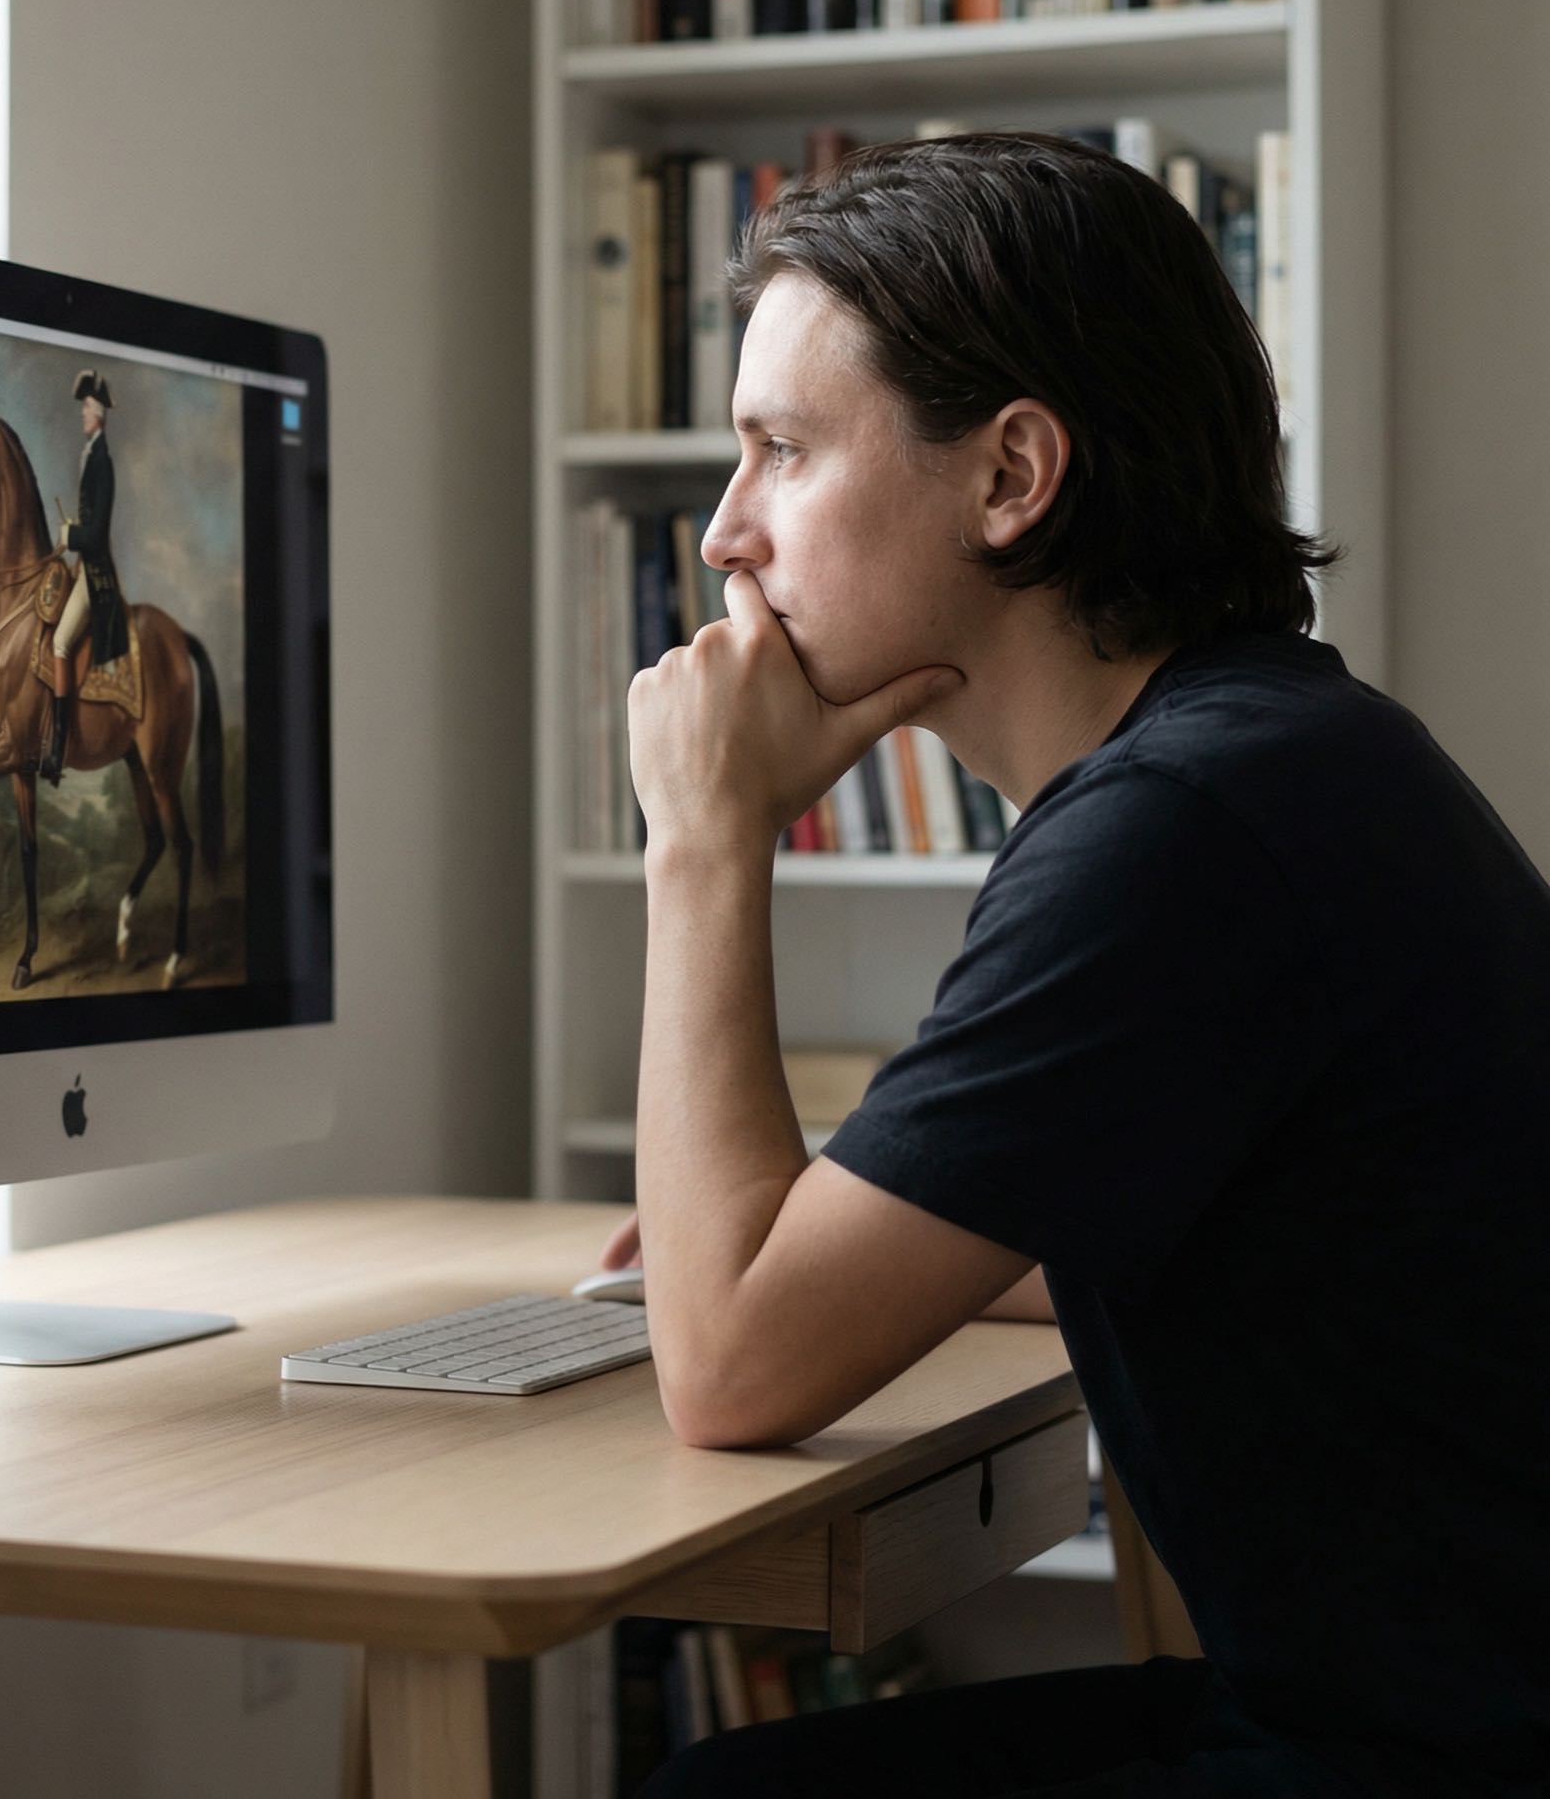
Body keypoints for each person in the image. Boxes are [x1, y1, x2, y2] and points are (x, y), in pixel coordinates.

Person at [620, 132, 1550, 1797]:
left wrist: (701, 840)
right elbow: (1279, 1236)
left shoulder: (1174, 824)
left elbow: (727, 1367)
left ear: (1008, 476)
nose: (721, 537)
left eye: (778, 451)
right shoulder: (1265, 750)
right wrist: (850, 1235)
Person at [40, 367, 128, 785]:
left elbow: (97, 533)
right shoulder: (92, 454)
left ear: (97, 413)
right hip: (84, 566)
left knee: (59, 642)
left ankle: (57, 750)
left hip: (97, 576)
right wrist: (75, 526)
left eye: (86, 409)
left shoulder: (103, 461)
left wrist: (69, 533)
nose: (81, 415)